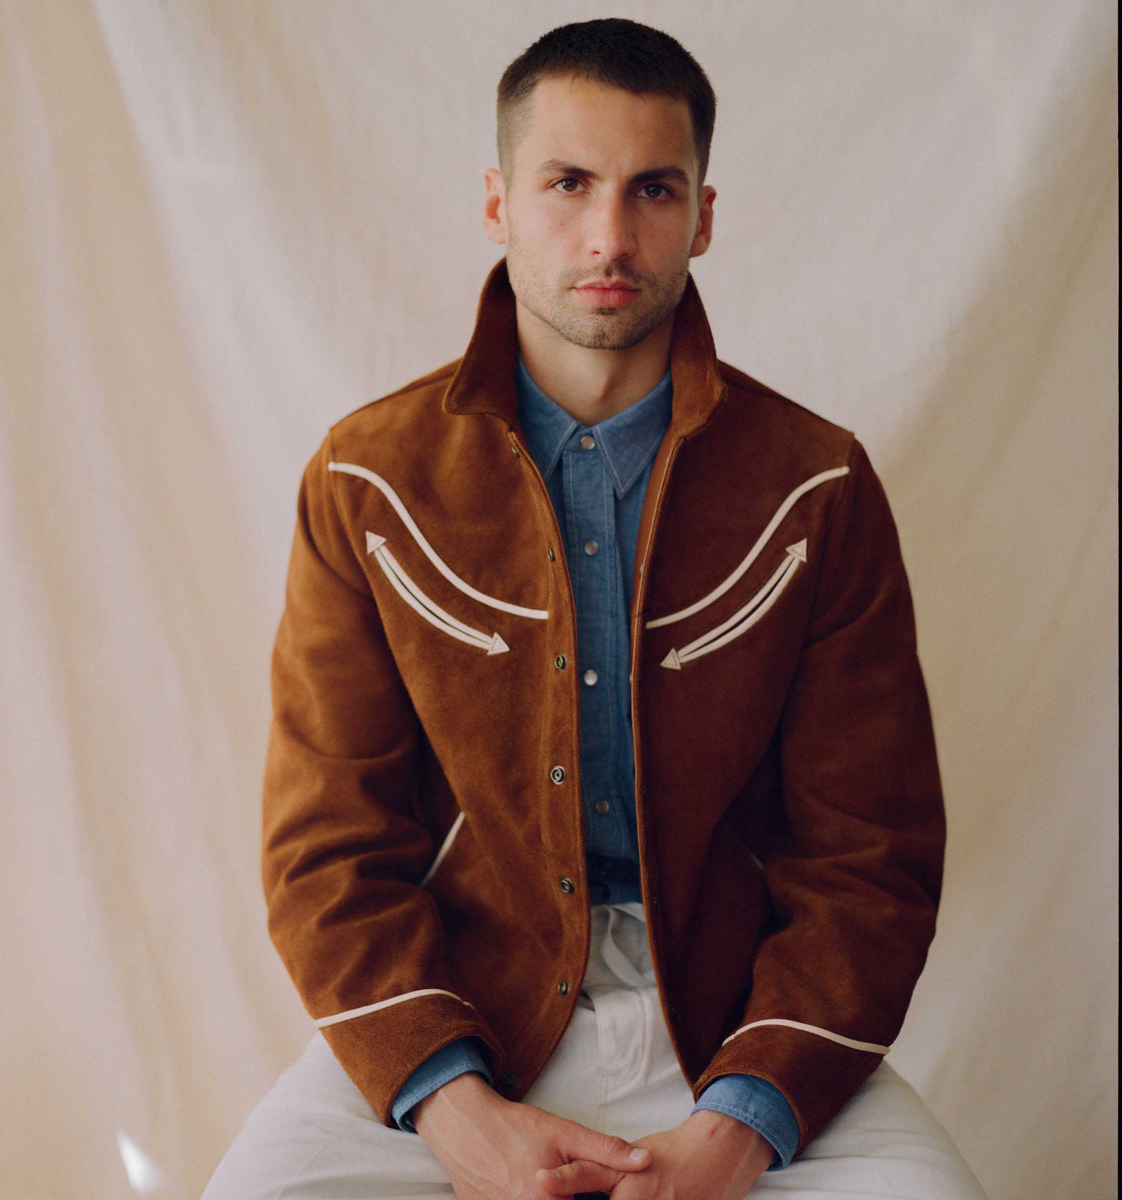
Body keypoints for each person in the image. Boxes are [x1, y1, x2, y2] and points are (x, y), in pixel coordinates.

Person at [203, 18, 986, 1200]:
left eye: (652, 190)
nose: (610, 235)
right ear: (498, 203)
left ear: (703, 217)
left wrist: (743, 1124)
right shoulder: (369, 481)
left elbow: (869, 859)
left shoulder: (814, 485)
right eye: (567, 183)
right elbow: (328, 847)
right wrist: (454, 1110)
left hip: (741, 1021)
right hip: (463, 1017)